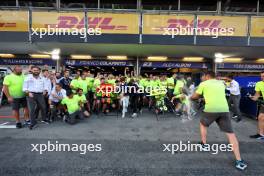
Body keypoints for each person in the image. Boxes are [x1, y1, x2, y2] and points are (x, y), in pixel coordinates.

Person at [191, 71, 247, 170]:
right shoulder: (221, 83)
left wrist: (191, 97)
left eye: (203, 76)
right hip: (224, 110)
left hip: (211, 110)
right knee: (230, 134)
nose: (202, 78)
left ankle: (204, 144)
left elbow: (195, 96)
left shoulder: (204, 83)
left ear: (207, 76)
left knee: (203, 124)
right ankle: (239, 161)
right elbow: (216, 93)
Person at [249, 71, 264, 139]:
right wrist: (253, 98)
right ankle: (261, 134)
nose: (262, 77)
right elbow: (257, 94)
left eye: (263, 76)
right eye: (261, 76)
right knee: (260, 118)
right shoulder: (259, 84)